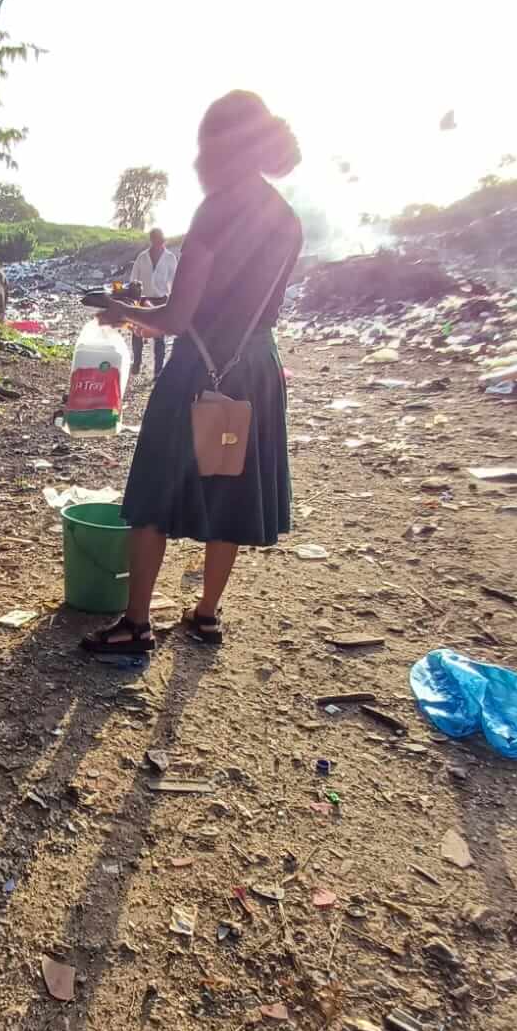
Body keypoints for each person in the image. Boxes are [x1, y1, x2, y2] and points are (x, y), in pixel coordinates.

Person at [80, 91, 303, 655]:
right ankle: (206, 615)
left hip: (198, 372)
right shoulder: (286, 219)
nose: (199, 161)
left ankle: (136, 624)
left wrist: (124, 311)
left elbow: (179, 318)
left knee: (154, 493)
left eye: (205, 147)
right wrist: (140, 313)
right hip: (255, 369)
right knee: (229, 490)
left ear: (225, 147)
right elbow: (237, 305)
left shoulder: (217, 210)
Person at [127, 227, 178, 379]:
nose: (158, 244)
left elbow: (174, 282)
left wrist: (173, 303)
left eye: (160, 241)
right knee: (137, 333)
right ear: (152, 240)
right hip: (142, 300)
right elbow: (133, 279)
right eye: (155, 240)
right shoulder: (142, 257)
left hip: (160, 301)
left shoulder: (170, 258)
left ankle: (158, 371)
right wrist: (133, 298)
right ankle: (136, 364)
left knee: (159, 337)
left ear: (163, 241)